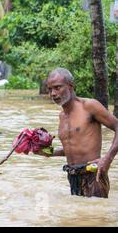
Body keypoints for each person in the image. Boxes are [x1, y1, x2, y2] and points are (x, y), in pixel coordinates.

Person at [36, 68, 118, 198]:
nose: (53, 93)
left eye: (58, 88)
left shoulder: (89, 106)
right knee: (77, 216)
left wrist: (107, 159)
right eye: (50, 89)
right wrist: (46, 152)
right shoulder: (62, 116)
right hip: (73, 177)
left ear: (70, 86)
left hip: (93, 176)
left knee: (95, 216)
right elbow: (70, 149)